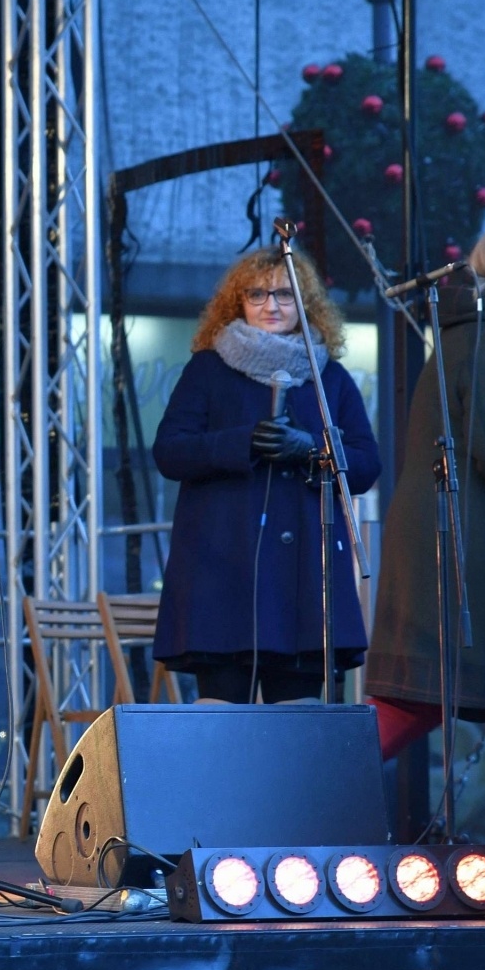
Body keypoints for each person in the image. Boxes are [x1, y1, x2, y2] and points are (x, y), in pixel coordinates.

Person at [366, 222, 485, 759]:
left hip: (456, 548)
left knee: (423, 698)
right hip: (474, 555)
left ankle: (307, 800)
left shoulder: (471, 336)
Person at [151, 247, 380, 704]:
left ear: (305, 303)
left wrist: (311, 451)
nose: (271, 305)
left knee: (295, 730)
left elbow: (367, 464)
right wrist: (242, 441)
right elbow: (170, 452)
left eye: (283, 294)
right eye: (257, 294)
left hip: (303, 583)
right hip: (222, 572)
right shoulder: (208, 368)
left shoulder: (328, 376)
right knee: (221, 726)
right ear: (238, 302)